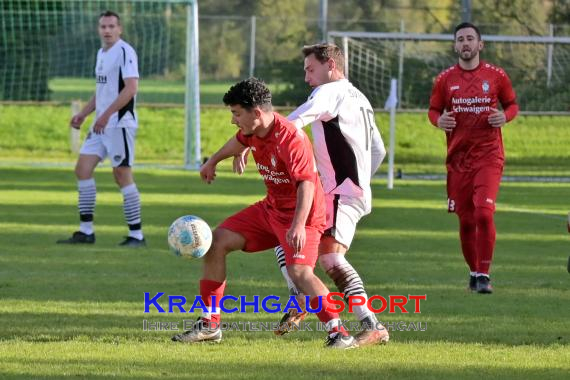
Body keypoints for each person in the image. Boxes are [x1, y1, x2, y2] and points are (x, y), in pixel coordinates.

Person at [171, 78, 357, 349]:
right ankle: (210, 324)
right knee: (215, 242)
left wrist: (297, 226)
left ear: (256, 113)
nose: (233, 120)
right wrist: (213, 161)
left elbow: (306, 183)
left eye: (236, 113)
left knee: (300, 273)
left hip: (302, 216)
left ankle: (340, 333)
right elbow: (237, 141)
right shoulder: (254, 131)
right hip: (271, 210)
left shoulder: (292, 138)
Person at [234, 43, 388, 347]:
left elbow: (287, 126)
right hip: (342, 190)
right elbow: (379, 150)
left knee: (329, 255)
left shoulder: (329, 92)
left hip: (339, 191)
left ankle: (372, 324)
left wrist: (253, 142)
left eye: (310, 69)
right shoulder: (359, 97)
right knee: (287, 233)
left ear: (330, 65)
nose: (306, 77)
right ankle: (302, 298)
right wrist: (361, 182)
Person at [428, 22, 519, 293]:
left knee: (483, 212)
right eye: (460, 39)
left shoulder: (497, 76)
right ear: (455, 46)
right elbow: (433, 110)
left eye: (470, 39)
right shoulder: (445, 79)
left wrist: (505, 116)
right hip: (458, 160)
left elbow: (512, 104)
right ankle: (473, 272)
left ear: (480, 45)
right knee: (466, 221)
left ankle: (484, 275)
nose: (465, 43)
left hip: (489, 155)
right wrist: (439, 120)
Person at [57, 10, 145, 247]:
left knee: (121, 175)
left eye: (111, 26)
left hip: (119, 125)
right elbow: (102, 92)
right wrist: (84, 114)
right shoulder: (101, 53)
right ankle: (86, 231)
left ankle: (136, 235)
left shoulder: (125, 51)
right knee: (82, 169)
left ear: (120, 29)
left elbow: (131, 88)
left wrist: (105, 116)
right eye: (103, 27)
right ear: (98, 29)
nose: (106, 30)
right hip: (101, 125)